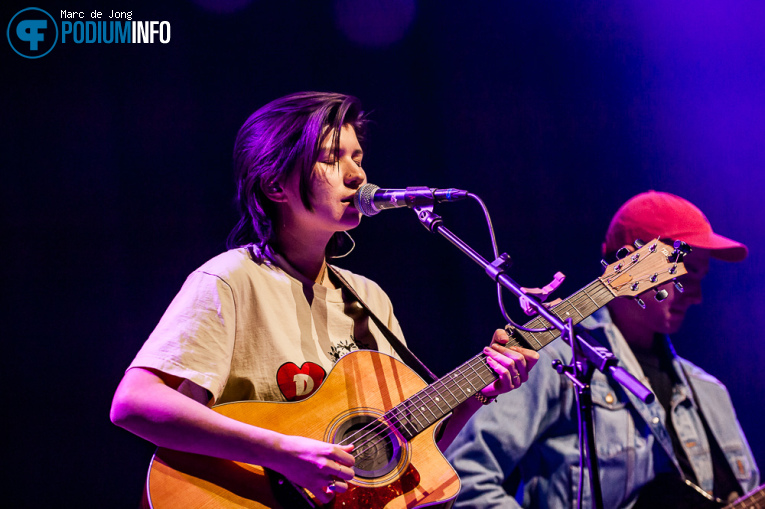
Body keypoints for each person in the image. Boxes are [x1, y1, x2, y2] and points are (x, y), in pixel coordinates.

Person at [110, 91, 540, 505]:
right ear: (276, 184)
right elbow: (134, 403)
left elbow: (406, 450)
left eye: (358, 157)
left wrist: (478, 393)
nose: (357, 175)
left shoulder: (368, 299)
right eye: (332, 158)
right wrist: (282, 452)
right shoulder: (230, 280)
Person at [445, 191, 760, 508]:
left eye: (699, 277)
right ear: (634, 260)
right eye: (685, 274)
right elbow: (465, 480)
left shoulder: (710, 392)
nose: (696, 296)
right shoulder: (552, 360)